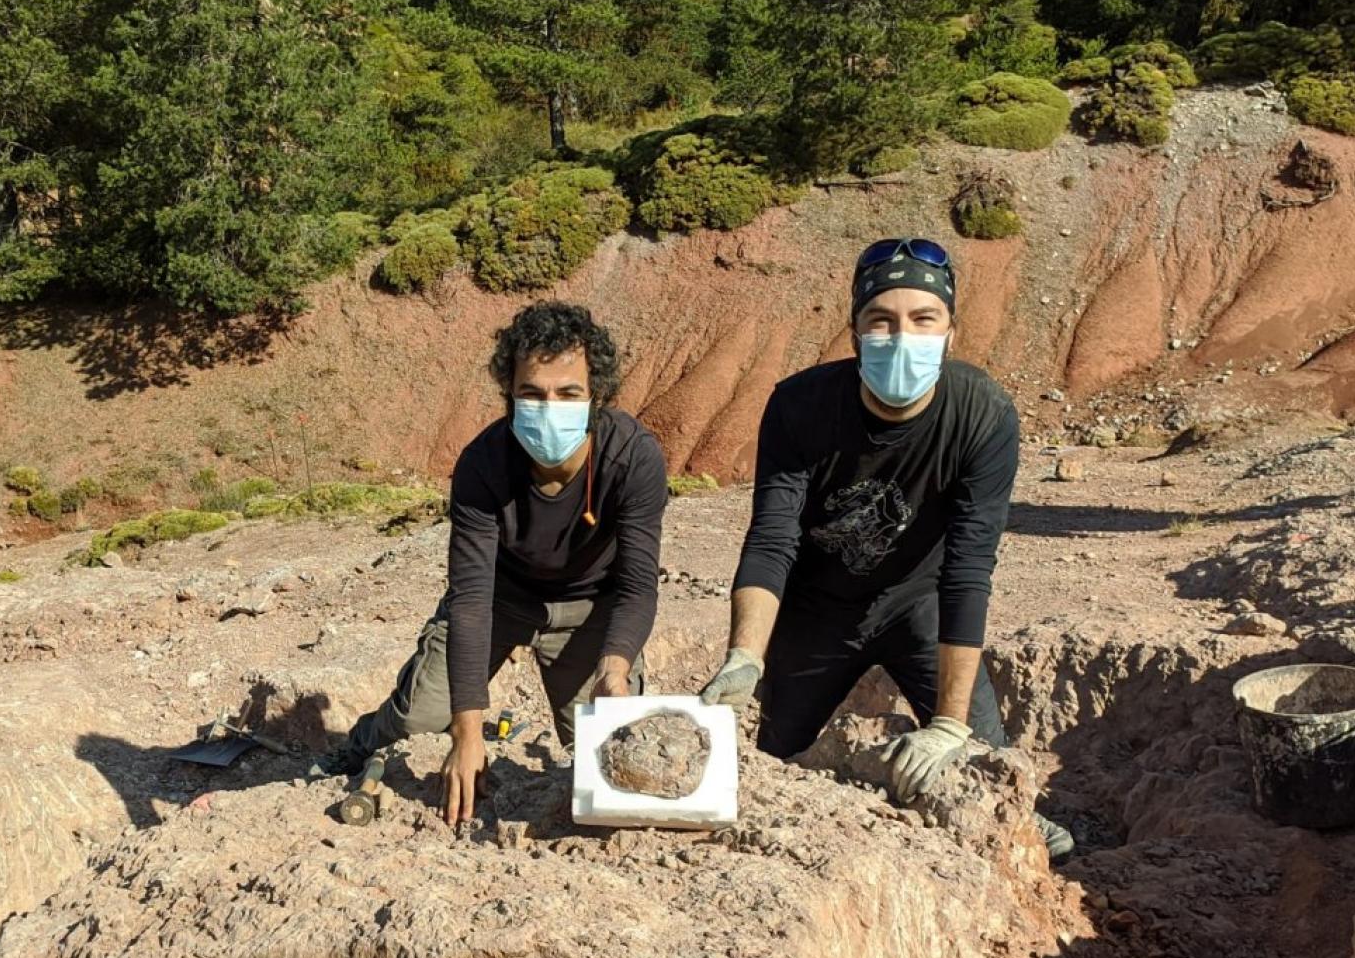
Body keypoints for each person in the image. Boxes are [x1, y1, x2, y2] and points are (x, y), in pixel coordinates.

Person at [698, 236, 1072, 858]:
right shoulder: (800, 406)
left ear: (951, 333)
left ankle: (1023, 834)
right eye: (882, 320)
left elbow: (969, 568)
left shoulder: (982, 414)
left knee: (985, 772)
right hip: (817, 611)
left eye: (924, 319)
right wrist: (746, 655)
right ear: (854, 332)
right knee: (770, 769)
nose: (902, 337)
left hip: (920, 605)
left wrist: (950, 725)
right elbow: (772, 539)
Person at [338, 302, 669, 824]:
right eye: (532, 393)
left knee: (604, 751)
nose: (549, 406)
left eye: (568, 393)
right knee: (419, 719)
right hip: (499, 598)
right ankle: (360, 741)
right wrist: (467, 734)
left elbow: (637, 584)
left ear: (596, 397)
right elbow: (470, 600)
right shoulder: (483, 463)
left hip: (589, 608)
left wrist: (615, 667)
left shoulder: (633, 457)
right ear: (510, 395)